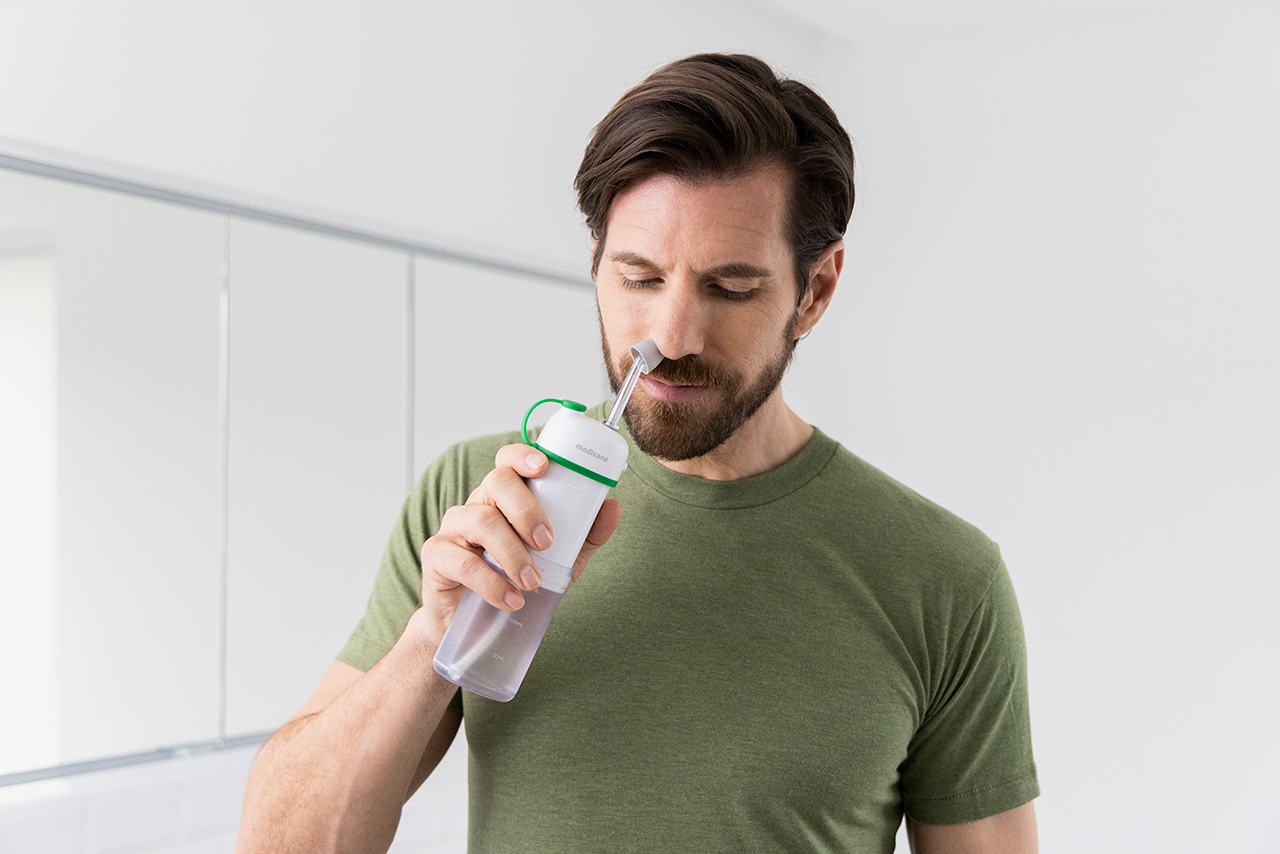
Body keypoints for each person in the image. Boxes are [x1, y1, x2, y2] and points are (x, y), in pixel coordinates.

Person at [236, 53, 1039, 854]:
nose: (669, 339)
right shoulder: (478, 498)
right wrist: (429, 641)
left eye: (730, 288)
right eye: (639, 277)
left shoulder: (944, 581)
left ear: (816, 290)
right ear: (595, 267)